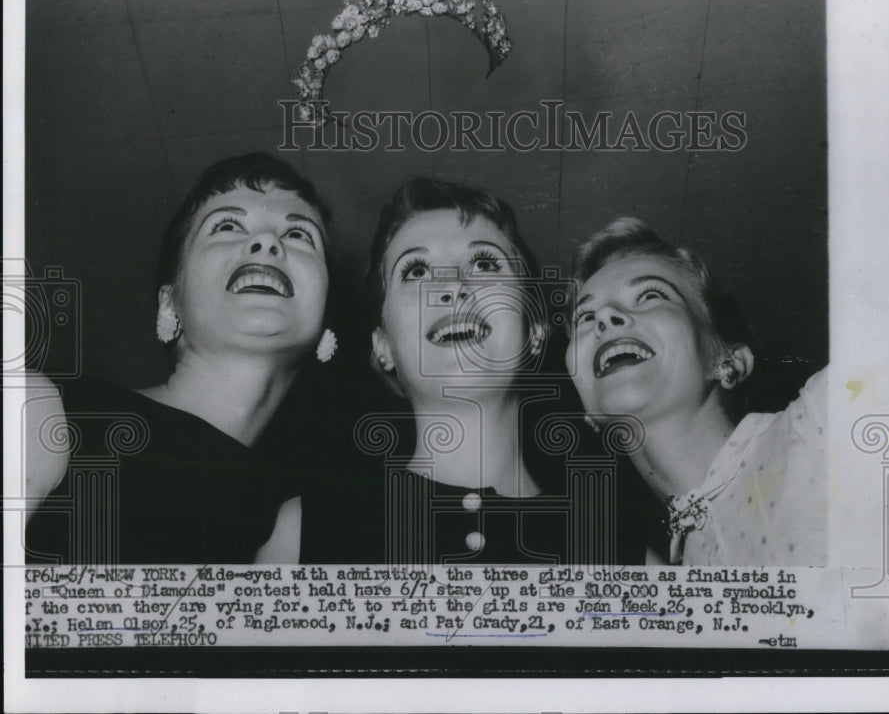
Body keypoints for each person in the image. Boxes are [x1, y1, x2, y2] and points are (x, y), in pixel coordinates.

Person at [300, 179, 647, 565]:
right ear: (384, 346)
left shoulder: (621, 555)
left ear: (534, 330)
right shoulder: (305, 530)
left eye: (483, 264)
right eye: (416, 271)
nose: (451, 286)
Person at [24, 152, 337, 565]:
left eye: (300, 235)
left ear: (325, 324)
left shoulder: (294, 528)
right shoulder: (40, 412)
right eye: (226, 226)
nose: (267, 243)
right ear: (169, 306)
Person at [565, 217, 827, 565]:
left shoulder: (823, 423)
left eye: (650, 295)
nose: (606, 316)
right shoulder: (667, 571)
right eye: (584, 316)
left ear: (728, 360)